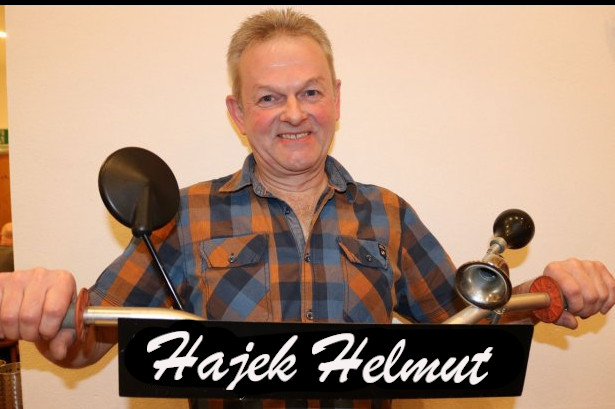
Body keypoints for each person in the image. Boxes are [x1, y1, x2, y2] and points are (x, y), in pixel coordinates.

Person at [1, 7, 614, 409]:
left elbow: (467, 331)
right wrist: (47, 309)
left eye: (310, 92)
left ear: (336, 100)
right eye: (269, 97)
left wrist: (544, 294)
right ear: (238, 113)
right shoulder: (181, 215)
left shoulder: (389, 214)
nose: (294, 113)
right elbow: (86, 340)